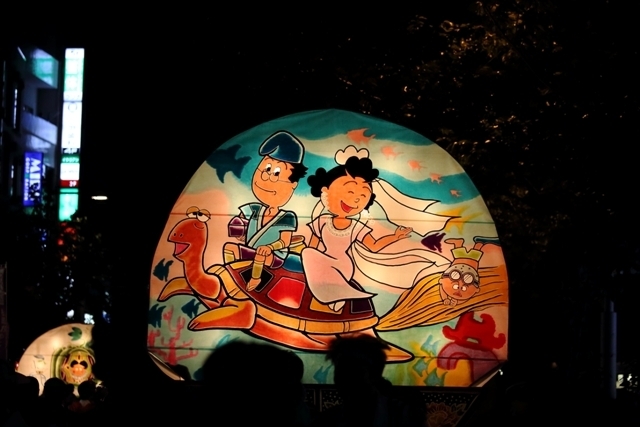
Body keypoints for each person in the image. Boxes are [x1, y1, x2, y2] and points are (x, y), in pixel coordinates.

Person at [302, 155, 412, 311]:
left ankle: (335, 299)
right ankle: (328, 298)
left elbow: (373, 246)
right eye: (349, 191)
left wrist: (395, 237)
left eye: (362, 196)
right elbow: (312, 246)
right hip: (323, 263)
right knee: (307, 253)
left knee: (309, 257)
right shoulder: (322, 220)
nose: (355, 200)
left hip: (343, 265)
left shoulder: (357, 227)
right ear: (326, 190)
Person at [224, 131, 308, 291]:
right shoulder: (254, 208)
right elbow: (240, 222)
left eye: (276, 173)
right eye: (266, 169)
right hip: (251, 250)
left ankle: (255, 281)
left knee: (261, 255)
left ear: (293, 183)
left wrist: (270, 247)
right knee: (230, 248)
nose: (267, 177)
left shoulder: (288, 216)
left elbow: (285, 241)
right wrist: (239, 229)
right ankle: (233, 275)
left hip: (274, 256)